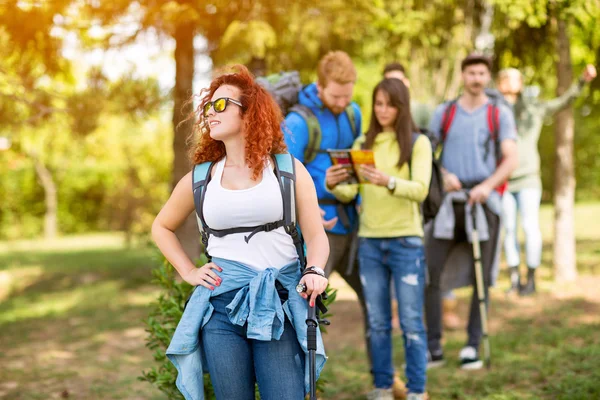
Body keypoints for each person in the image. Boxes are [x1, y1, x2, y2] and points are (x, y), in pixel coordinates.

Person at [152, 65, 329, 400]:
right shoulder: (202, 177)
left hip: (277, 301)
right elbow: (161, 226)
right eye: (208, 106)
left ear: (250, 114)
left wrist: (315, 270)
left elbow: (316, 236)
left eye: (221, 105)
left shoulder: (289, 171)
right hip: (221, 307)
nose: (210, 113)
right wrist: (188, 271)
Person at [326, 78, 431, 400]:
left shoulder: (417, 143)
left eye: (390, 104)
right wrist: (333, 184)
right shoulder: (362, 144)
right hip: (370, 243)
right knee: (377, 322)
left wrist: (388, 181)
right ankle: (383, 387)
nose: (383, 110)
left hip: (406, 243)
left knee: (411, 321)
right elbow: (351, 191)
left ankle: (416, 390)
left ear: (402, 106)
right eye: (379, 103)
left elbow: (421, 190)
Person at [425, 53, 518, 370]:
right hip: (449, 204)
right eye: (471, 73)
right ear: (462, 76)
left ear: (487, 77)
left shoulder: (498, 113)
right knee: (431, 272)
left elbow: (510, 158)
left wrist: (488, 186)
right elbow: (426, 151)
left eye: (481, 73)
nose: (476, 78)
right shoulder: (445, 112)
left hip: (484, 203)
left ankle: (472, 347)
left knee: (482, 278)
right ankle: (433, 347)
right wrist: (442, 174)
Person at [283, 51, 372, 356]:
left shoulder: (354, 113)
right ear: (319, 86)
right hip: (319, 228)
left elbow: (358, 158)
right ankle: (304, 381)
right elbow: (283, 173)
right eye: (336, 96)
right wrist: (306, 208)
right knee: (308, 308)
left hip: (353, 224)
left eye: (348, 96)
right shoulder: (298, 121)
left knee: (376, 301)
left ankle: (384, 380)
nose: (342, 102)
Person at [497, 64, 597, 295]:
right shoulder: (494, 110)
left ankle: (531, 279)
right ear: (500, 83)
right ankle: (514, 279)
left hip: (529, 179)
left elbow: (563, 101)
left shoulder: (533, 108)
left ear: (521, 83)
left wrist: (582, 80)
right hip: (502, 180)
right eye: (507, 79)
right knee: (509, 229)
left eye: (516, 79)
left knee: (530, 227)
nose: (512, 83)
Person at [384, 62, 461, 332]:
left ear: (406, 83)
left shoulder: (423, 112)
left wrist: (443, 177)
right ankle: (397, 313)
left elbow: (436, 149)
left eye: (398, 83)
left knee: (434, 256)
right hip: (392, 206)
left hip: (426, 198)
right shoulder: (382, 118)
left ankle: (445, 309)